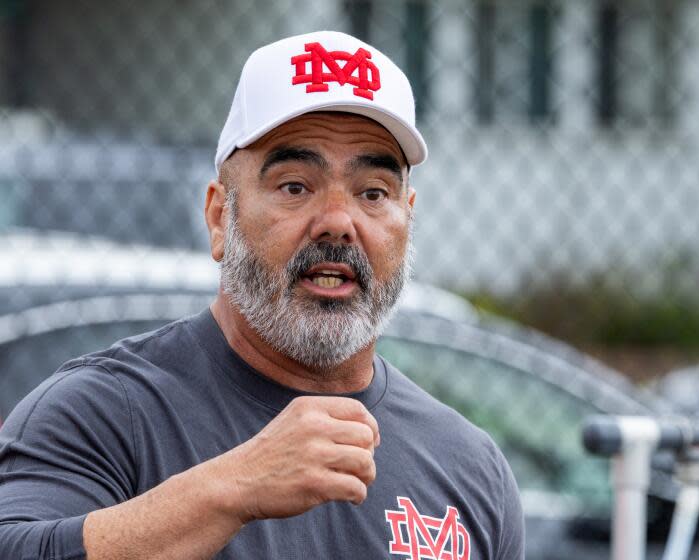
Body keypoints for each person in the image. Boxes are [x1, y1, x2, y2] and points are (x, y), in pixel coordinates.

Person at [0, 31, 524, 559]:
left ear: (408, 217)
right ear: (219, 217)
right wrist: (233, 489)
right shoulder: (104, 413)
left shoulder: (469, 467)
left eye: (373, 193)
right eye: (295, 186)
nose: (338, 223)